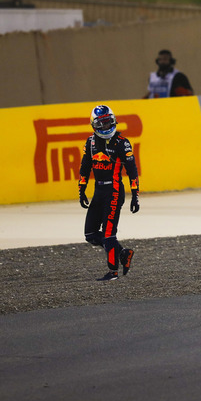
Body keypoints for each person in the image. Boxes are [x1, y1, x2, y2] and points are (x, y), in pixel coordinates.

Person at [79, 105, 140, 281]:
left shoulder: (122, 142)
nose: (106, 127)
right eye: (102, 124)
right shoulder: (90, 142)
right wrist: (81, 190)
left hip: (114, 190)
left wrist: (135, 195)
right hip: (98, 191)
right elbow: (84, 167)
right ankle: (123, 253)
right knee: (90, 234)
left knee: (108, 233)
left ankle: (113, 272)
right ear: (94, 125)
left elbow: (132, 170)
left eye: (108, 123)